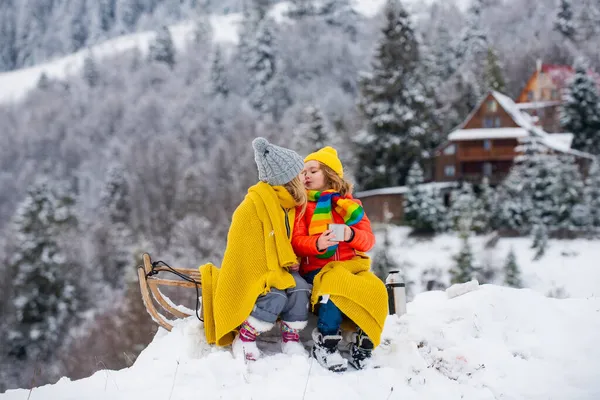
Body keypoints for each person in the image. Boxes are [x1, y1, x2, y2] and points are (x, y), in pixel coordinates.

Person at [200, 137, 311, 361]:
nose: (304, 176)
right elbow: (244, 250)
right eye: (300, 173)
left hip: (281, 268)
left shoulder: (288, 205)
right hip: (259, 272)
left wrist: (291, 259)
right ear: (288, 179)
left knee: (300, 288)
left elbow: (285, 242)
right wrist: (272, 270)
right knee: (276, 294)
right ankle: (246, 336)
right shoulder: (253, 206)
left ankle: (290, 338)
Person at [292, 146, 388, 371]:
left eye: (312, 171)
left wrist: (350, 234)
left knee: (376, 287)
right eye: (303, 172)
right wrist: (317, 243)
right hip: (318, 270)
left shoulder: (350, 207)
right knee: (334, 282)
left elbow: (368, 241)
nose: (306, 176)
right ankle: (326, 344)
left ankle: (364, 345)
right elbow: (296, 241)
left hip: (351, 267)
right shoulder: (301, 207)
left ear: (329, 173)